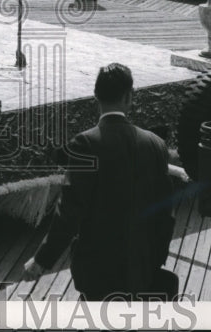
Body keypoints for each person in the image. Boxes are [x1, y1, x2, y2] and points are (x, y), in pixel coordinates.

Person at [23, 63, 174, 300]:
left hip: (99, 267)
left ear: (96, 97)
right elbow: (166, 211)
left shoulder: (86, 144)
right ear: (129, 97)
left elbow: (70, 211)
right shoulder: (156, 144)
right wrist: (154, 257)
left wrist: (42, 259)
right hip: (143, 264)